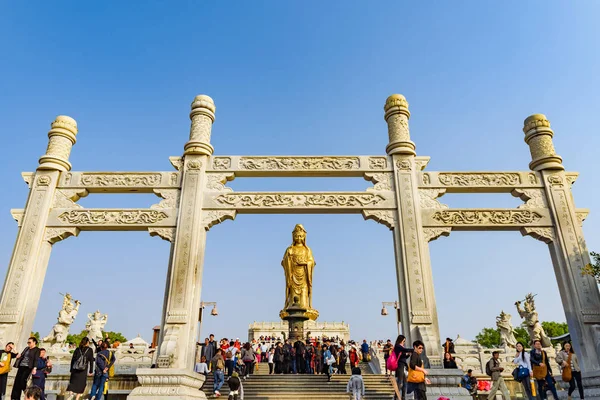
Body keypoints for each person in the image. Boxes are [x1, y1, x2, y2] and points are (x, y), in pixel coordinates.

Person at [393, 335, 413, 400]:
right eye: (403, 340)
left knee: (404, 382)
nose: (404, 342)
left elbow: (403, 357)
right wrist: (413, 350)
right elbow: (405, 350)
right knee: (400, 382)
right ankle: (396, 397)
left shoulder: (401, 347)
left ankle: (403, 397)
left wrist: (408, 355)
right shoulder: (398, 346)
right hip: (400, 366)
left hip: (403, 365)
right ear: (400, 340)